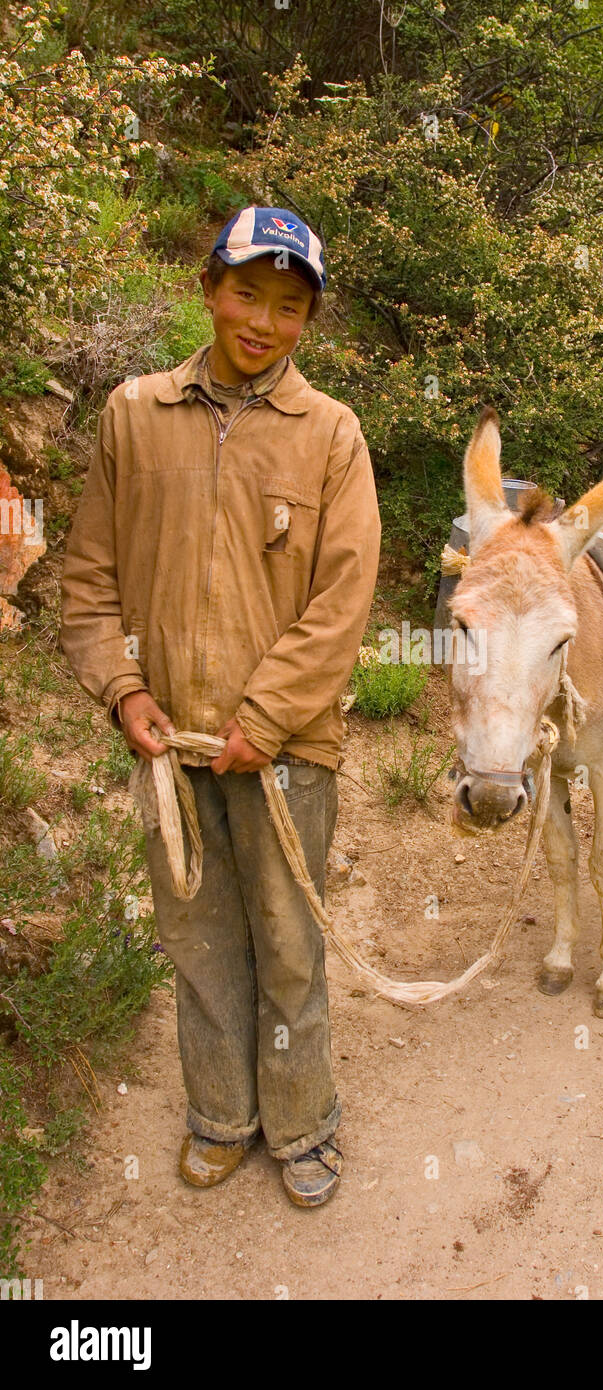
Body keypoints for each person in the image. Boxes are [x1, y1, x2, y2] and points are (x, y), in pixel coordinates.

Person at [60, 205, 382, 1207]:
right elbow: (90, 578)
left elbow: (341, 599)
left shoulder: (330, 433)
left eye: (289, 307)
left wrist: (267, 720)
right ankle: (219, 1115)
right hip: (169, 740)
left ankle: (299, 1121)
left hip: (285, 751)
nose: (262, 321)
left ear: (307, 322)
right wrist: (121, 688)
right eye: (247, 293)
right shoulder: (133, 414)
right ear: (208, 287)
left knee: (288, 940)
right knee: (197, 941)